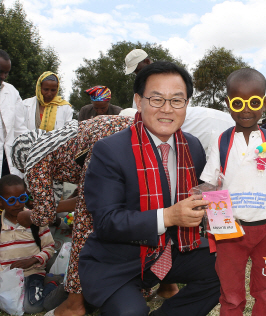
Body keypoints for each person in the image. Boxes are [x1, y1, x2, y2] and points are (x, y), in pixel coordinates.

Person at [79, 62, 221, 316]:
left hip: (172, 249)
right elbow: (105, 222)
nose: (167, 109)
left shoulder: (193, 146)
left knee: (225, 267)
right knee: (130, 312)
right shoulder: (109, 150)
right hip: (118, 261)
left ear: (187, 104)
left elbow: (203, 195)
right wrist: (169, 216)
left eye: (177, 100)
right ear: (138, 101)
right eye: (156, 99)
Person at [13, 116, 137, 316]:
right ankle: (157, 287)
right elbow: (85, 192)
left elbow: (44, 214)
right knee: (134, 214)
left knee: (83, 228)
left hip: (107, 138)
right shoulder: (58, 144)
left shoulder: (34, 159)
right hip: (134, 133)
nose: (31, 177)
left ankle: (74, 304)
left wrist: (27, 217)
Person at [200, 68, 266, 315]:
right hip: (230, 232)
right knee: (231, 295)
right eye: (238, 102)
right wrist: (199, 194)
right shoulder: (221, 141)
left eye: (254, 102)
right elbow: (210, 183)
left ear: (264, 103)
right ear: (228, 104)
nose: (246, 109)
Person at [0, 175, 58, 314]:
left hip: (32, 273)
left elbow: (49, 247)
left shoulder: (36, 221)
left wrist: (33, 260)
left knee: (32, 307)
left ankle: (51, 283)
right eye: (12, 200)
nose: (18, 204)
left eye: (22, 198)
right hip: (6, 277)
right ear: (1, 202)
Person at [0, 49, 29, 177]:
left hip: (7, 161)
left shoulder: (12, 92)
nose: (3, 76)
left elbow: (19, 129)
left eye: (6, 73)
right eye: (0, 71)